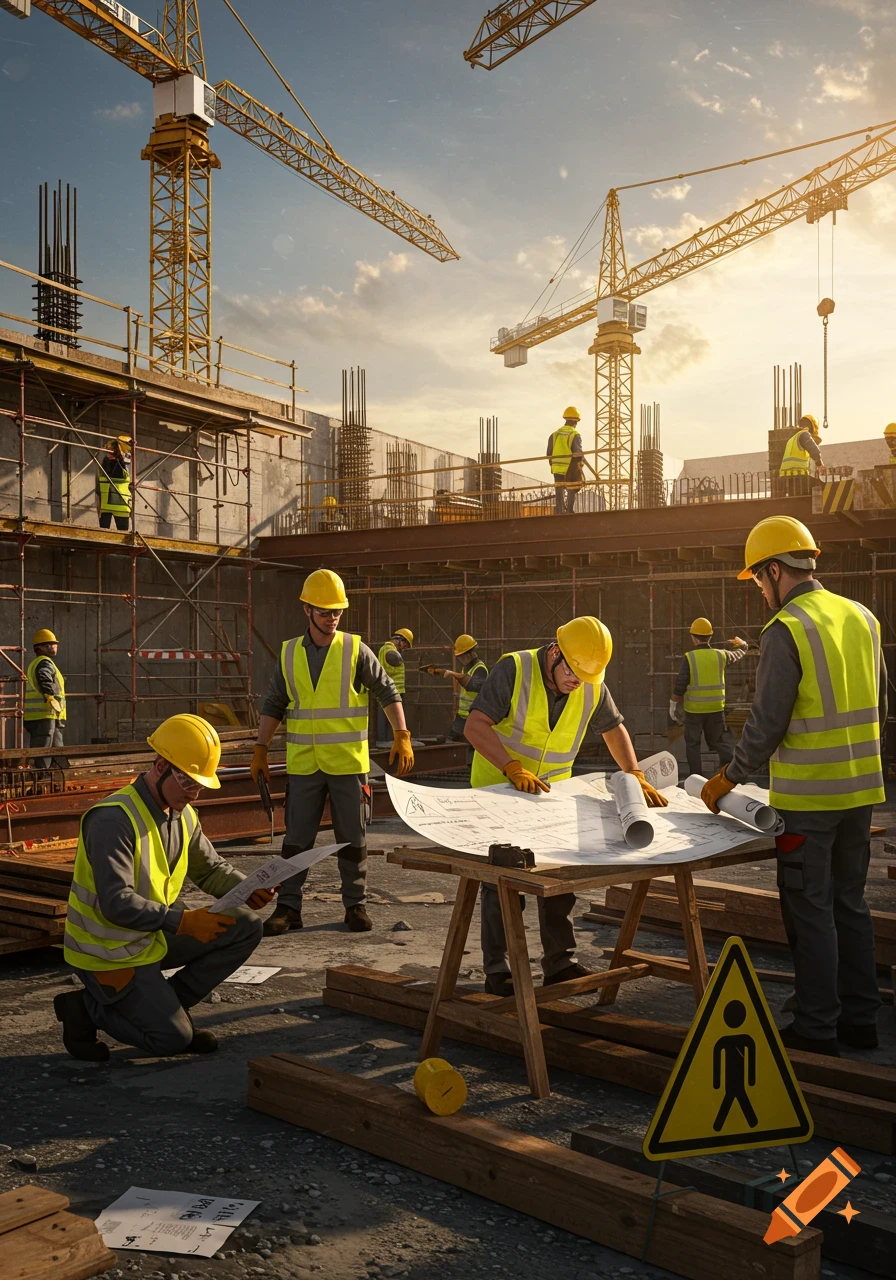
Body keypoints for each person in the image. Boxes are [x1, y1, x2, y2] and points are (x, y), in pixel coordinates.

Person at [701, 516, 885, 1057]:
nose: (759, 591)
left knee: (810, 908)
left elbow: (767, 722)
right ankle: (860, 1020)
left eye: (758, 580)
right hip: (862, 794)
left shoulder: (786, 628)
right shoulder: (863, 617)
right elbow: (881, 708)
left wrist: (727, 778)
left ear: (776, 570)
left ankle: (817, 1027)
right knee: (851, 905)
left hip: (808, 802)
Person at [464, 616, 668, 996]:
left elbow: (613, 727)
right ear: (555, 653)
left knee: (559, 882)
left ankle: (559, 964)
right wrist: (511, 767)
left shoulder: (590, 681)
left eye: (584, 678)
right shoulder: (514, 668)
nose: (577, 683)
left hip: (550, 797)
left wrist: (635, 773)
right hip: (498, 793)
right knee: (502, 887)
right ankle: (500, 971)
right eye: (572, 674)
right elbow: (475, 726)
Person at [54, 714, 271, 1061]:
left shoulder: (182, 813)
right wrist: (182, 923)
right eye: (188, 783)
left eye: (199, 785)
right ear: (160, 766)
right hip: (108, 951)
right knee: (170, 1041)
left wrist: (248, 888)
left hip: (150, 935)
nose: (194, 793)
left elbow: (211, 869)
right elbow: (116, 903)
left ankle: (166, 1007)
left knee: (245, 925)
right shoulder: (113, 819)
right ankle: (85, 1008)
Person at [253, 569, 414, 936]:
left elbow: (386, 691)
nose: (332, 617)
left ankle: (355, 905)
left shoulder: (355, 650)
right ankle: (288, 907)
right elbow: (275, 701)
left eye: (337, 611)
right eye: (325, 611)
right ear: (307, 610)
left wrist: (402, 734)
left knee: (352, 839)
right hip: (304, 764)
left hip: (347, 764)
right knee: (296, 840)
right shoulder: (290, 652)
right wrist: (260, 748)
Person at [670, 617, 748, 776]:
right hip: (715, 709)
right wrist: (743, 645)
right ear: (710, 637)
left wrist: (673, 704)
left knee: (693, 744)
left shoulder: (689, 657)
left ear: (693, 637)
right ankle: (733, 771)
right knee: (717, 741)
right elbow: (739, 654)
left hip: (694, 711)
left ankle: (696, 777)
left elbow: (681, 684)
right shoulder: (721, 655)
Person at [24, 628, 66, 768]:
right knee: (44, 750)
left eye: (53, 644)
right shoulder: (44, 663)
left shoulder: (40, 663)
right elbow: (44, 678)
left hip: (49, 715)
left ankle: (60, 772)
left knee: (55, 747)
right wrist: (50, 696)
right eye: (47, 645)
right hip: (44, 714)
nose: (52, 647)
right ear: (39, 648)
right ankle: (40, 777)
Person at [376, 628, 414, 745]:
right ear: (399, 640)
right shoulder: (388, 649)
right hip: (390, 690)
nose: (404, 648)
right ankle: (384, 740)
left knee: (390, 717)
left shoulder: (387, 649)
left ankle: (389, 740)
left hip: (391, 689)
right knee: (389, 717)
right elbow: (392, 660)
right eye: (404, 644)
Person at [547, 406, 585, 515]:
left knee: (559, 489)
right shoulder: (574, 434)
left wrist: (553, 464)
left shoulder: (554, 434)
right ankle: (569, 511)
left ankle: (559, 511)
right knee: (571, 488)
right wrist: (580, 465)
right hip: (570, 467)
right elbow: (578, 453)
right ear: (576, 421)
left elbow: (549, 453)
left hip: (557, 467)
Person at [779, 414, 824, 492]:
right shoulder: (804, 434)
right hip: (799, 476)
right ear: (811, 427)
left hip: (787, 477)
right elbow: (814, 450)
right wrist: (820, 464)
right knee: (822, 486)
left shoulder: (792, 439)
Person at [96, 435, 132, 531]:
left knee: (113, 534)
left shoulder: (122, 463)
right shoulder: (109, 462)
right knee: (108, 534)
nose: (109, 452)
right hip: (118, 506)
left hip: (112, 506)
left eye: (111, 450)